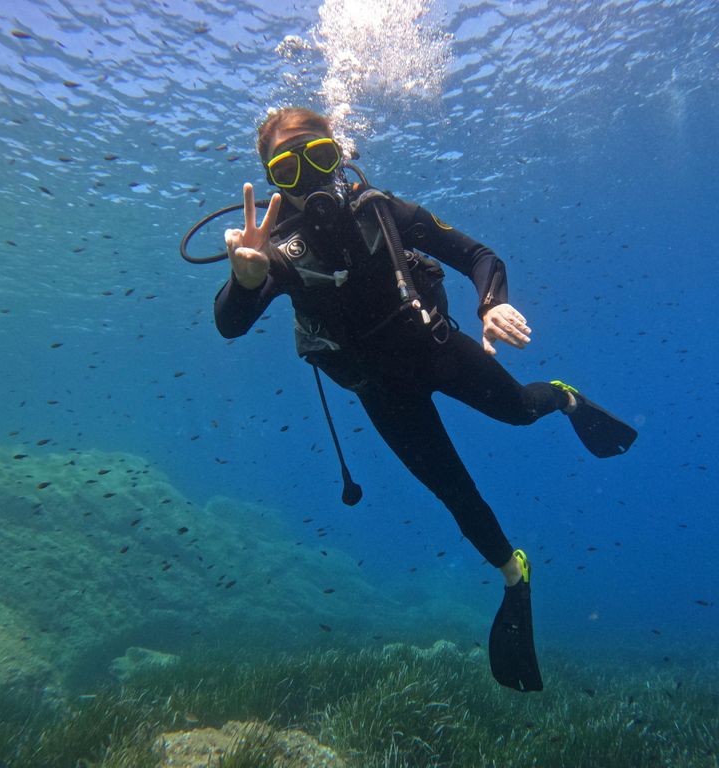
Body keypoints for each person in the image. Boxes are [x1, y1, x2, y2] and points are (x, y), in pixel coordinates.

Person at [213, 106, 636, 692]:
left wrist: (490, 303)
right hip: (383, 393)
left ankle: (563, 399)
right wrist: (247, 280)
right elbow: (230, 324)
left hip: (436, 346)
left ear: (342, 155)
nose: (309, 177)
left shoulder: (380, 210)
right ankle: (514, 577)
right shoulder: (278, 250)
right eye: (288, 168)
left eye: (321, 155)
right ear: (271, 181)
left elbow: (479, 256)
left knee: (518, 411)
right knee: (455, 492)